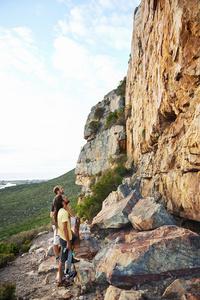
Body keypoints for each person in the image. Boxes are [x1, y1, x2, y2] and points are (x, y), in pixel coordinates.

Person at [50, 185, 80, 263]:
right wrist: (58, 219)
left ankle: (75, 238)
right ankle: (57, 257)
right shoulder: (56, 201)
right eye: (61, 189)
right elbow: (51, 215)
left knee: (77, 221)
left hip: (65, 220)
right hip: (58, 223)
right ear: (57, 191)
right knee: (56, 240)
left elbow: (68, 208)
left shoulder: (63, 199)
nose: (63, 189)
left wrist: (73, 216)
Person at [53, 194, 72, 287]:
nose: (66, 197)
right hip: (64, 240)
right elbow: (64, 229)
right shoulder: (64, 213)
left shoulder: (60, 211)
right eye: (64, 197)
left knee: (75, 237)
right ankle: (60, 281)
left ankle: (72, 257)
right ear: (62, 202)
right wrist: (68, 242)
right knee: (61, 260)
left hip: (62, 238)